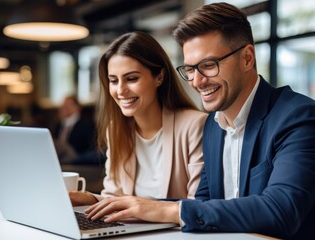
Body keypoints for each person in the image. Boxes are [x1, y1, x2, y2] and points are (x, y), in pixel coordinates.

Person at [83, 3, 315, 239]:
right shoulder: (214, 127)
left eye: (208, 65)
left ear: (247, 58)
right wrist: (130, 207)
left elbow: (281, 210)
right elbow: (202, 203)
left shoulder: (297, 116)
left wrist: (168, 210)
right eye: (191, 69)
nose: (197, 81)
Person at [69, 31, 207, 206]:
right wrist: (90, 199)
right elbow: (115, 197)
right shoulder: (115, 129)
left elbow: (198, 206)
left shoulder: (195, 125)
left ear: (159, 77)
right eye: (113, 80)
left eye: (131, 78)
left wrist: (140, 210)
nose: (120, 90)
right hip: (130, 229)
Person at [54, 95, 99, 164]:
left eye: (68, 105)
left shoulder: (87, 125)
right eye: (64, 105)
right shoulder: (59, 125)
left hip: (79, 162)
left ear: (78, 107)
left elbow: (92, 148)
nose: (65, 108)